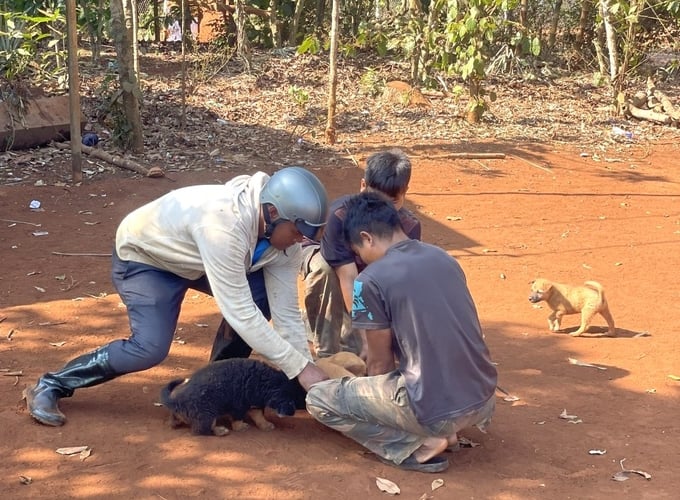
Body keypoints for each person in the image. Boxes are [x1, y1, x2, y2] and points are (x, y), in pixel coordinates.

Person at [25, 166, 330, 427]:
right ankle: (53, 383)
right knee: (148, 349)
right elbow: (240, 312)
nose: (301, 242)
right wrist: (302, 369)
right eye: (297, 232)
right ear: (273, 212)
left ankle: (214, 389)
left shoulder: (286, 239)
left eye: (307, 235)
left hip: (199, 261)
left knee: (261, 296)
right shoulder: (224, 224)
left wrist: (306, 367)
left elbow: (287, 312)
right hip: (147, 260)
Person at [306, 191, 498, 473]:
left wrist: (372, 398)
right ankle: (446, 428)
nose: (361, 259)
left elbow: (380, 363)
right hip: (483, 399)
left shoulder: (369, 280)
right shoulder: (444, 258)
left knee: (318, 399)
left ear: (367, 238)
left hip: (435, 410)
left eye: (359, 252)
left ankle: (419, 443)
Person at [300, 149, 420, 359]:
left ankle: (343, 337)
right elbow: (349, 278)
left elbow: (397, 283)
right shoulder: (338, 216)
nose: (379, 211)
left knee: (362, 349)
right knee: (325, 269)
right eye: (374, 200)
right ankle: (327, 352)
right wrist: (366, 340)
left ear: (405, 192)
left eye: (391, 203)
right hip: (326, 259)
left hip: (364, 272)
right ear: (363, 186)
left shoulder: (409, 228)